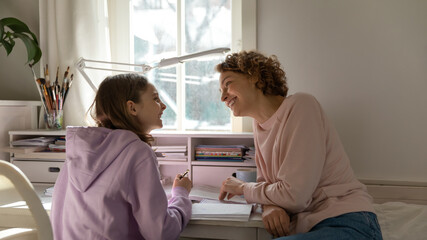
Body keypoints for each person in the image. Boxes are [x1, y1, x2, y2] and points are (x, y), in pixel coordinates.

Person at [216, 51, 382, 240]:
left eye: (228, 84)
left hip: (346, 220)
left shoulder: (302, 106)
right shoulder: (260, 126)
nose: (223, 97)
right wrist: (270, 206)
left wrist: (243, 188)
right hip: (307, 227)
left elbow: (294, 196)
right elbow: (268, 185)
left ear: (254, 76)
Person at [51, 73, 192, 240]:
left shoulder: (79, 149)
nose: (163, 106)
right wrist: (180, 194)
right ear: (132, 108)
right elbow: (160, 232)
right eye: (155, 99)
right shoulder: (138, 152)